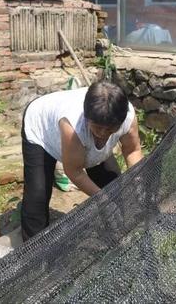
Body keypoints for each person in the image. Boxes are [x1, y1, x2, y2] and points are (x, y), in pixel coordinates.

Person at [20, 81, 143, 241]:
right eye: (98, 127)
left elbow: (132, 151)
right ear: (87, 118)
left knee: (112, 185)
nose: (103, 134)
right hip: (41, 131)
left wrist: (138, 179)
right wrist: (102, 198)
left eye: (111, 129)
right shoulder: (72, 125)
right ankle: (32, 254)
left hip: (84, 141)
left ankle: (116, 237)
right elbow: (74, 171)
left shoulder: (126, 116)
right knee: (38, 194)